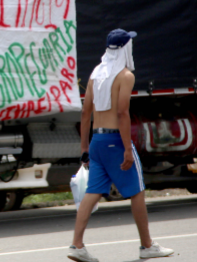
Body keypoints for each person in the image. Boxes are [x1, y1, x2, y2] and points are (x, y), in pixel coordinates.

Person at [67, 29, 174, 262]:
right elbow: (123, 113)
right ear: (126, 48)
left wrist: (84, 148)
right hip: (116, 141)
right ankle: (147, 246)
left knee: (92, 193)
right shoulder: (125, 76)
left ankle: (77, 245)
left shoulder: (96, 73)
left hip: (96, 141)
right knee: (137, 190)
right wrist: (127, 148)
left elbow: (86, 113)